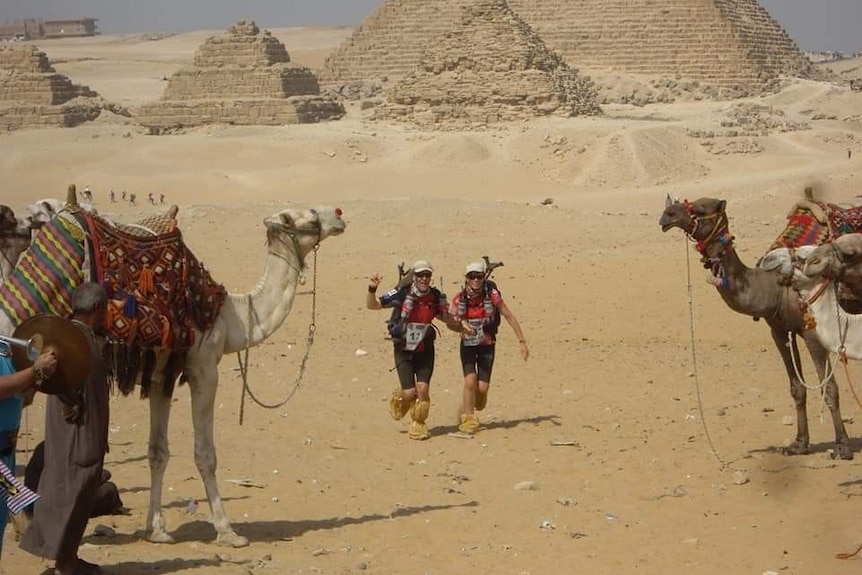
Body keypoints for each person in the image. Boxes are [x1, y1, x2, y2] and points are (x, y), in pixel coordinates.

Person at [21, 282, 111, 575]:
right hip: (76, 436)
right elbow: (54, 376)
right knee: (70, 493)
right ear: (97, 308)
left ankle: (67, 557)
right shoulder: (70, 341)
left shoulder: (78, 336)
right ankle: (63, 564)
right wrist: (71, 401)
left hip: (83, 434)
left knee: (78, 494)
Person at [367, 260, 468, 440]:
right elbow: (373, 305)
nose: (424, 278)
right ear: (414, 277)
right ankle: (400, 398)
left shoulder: (435, 296)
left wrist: (462, 326)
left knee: (422, 389)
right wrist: (372, 289)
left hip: (425, 348)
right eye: (420, 275)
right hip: (403, 348)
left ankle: (418, 425)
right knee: (409, 393)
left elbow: (445, 317)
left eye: (427, 275)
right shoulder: (401, 294)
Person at [450, 261, 529, 434]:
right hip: (468, 346)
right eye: (472, 276)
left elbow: (508, 315)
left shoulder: (491, 296)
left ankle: (471, 404)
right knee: (470, 381)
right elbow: (450, 319)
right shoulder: (459, 298)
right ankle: (468, 419)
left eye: (479, 276)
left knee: (482, 389)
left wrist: (522, 341)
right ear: (466, 279)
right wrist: (461, 325)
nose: (476, 280)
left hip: (487, 345)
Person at [0, 342, 57, 558]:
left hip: (6, 455)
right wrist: (34, 371)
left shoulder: (3, 348)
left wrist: (37, 375)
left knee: (3, 512)